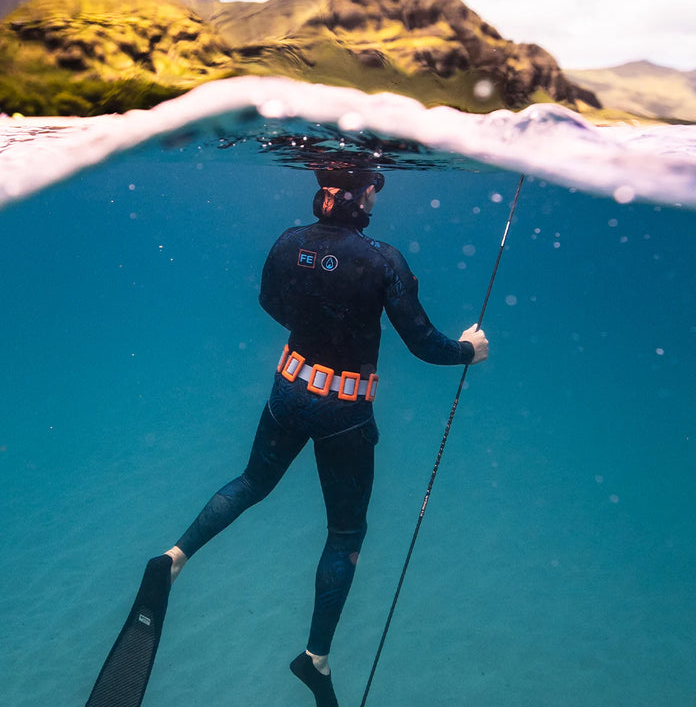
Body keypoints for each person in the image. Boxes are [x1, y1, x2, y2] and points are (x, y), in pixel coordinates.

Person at [163, 168, 488, 707]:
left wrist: (317, 317)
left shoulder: (289, 242)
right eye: (374, 189)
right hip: (345, 414)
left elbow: (271, 302)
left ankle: (175, 556)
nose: (375, 197)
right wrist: (466, 351)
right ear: (360, 195)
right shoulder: (384, 259)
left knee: (251, 482)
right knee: (344, 535)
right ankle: (314, 658)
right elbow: (424, 342)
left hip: (289, 389)